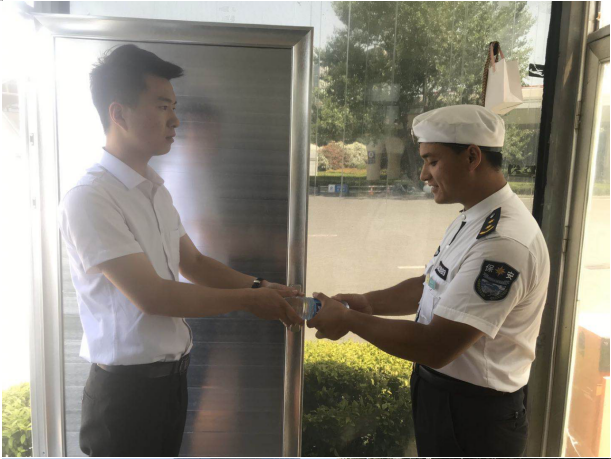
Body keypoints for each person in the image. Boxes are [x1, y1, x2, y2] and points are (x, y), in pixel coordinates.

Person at [58, 44, 303, 457]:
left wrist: (261, 286)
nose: (175, 119)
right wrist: (249, 301)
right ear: (119, 114)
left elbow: (194, 262)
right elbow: (153, 296)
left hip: (169, 384)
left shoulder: (155, 190)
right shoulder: (91, 197)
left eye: (174, 107)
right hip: (125, 398)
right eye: (161, 107)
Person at [308, 104, 550, 456]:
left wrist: (349, 320)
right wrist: (369, 303)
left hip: (475, 417)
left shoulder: (503, 242)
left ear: (472, 157)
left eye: (432, 161)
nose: (423, 174)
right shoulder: (475, 217)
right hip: (447, 400)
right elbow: (432, 284)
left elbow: (437, 346)